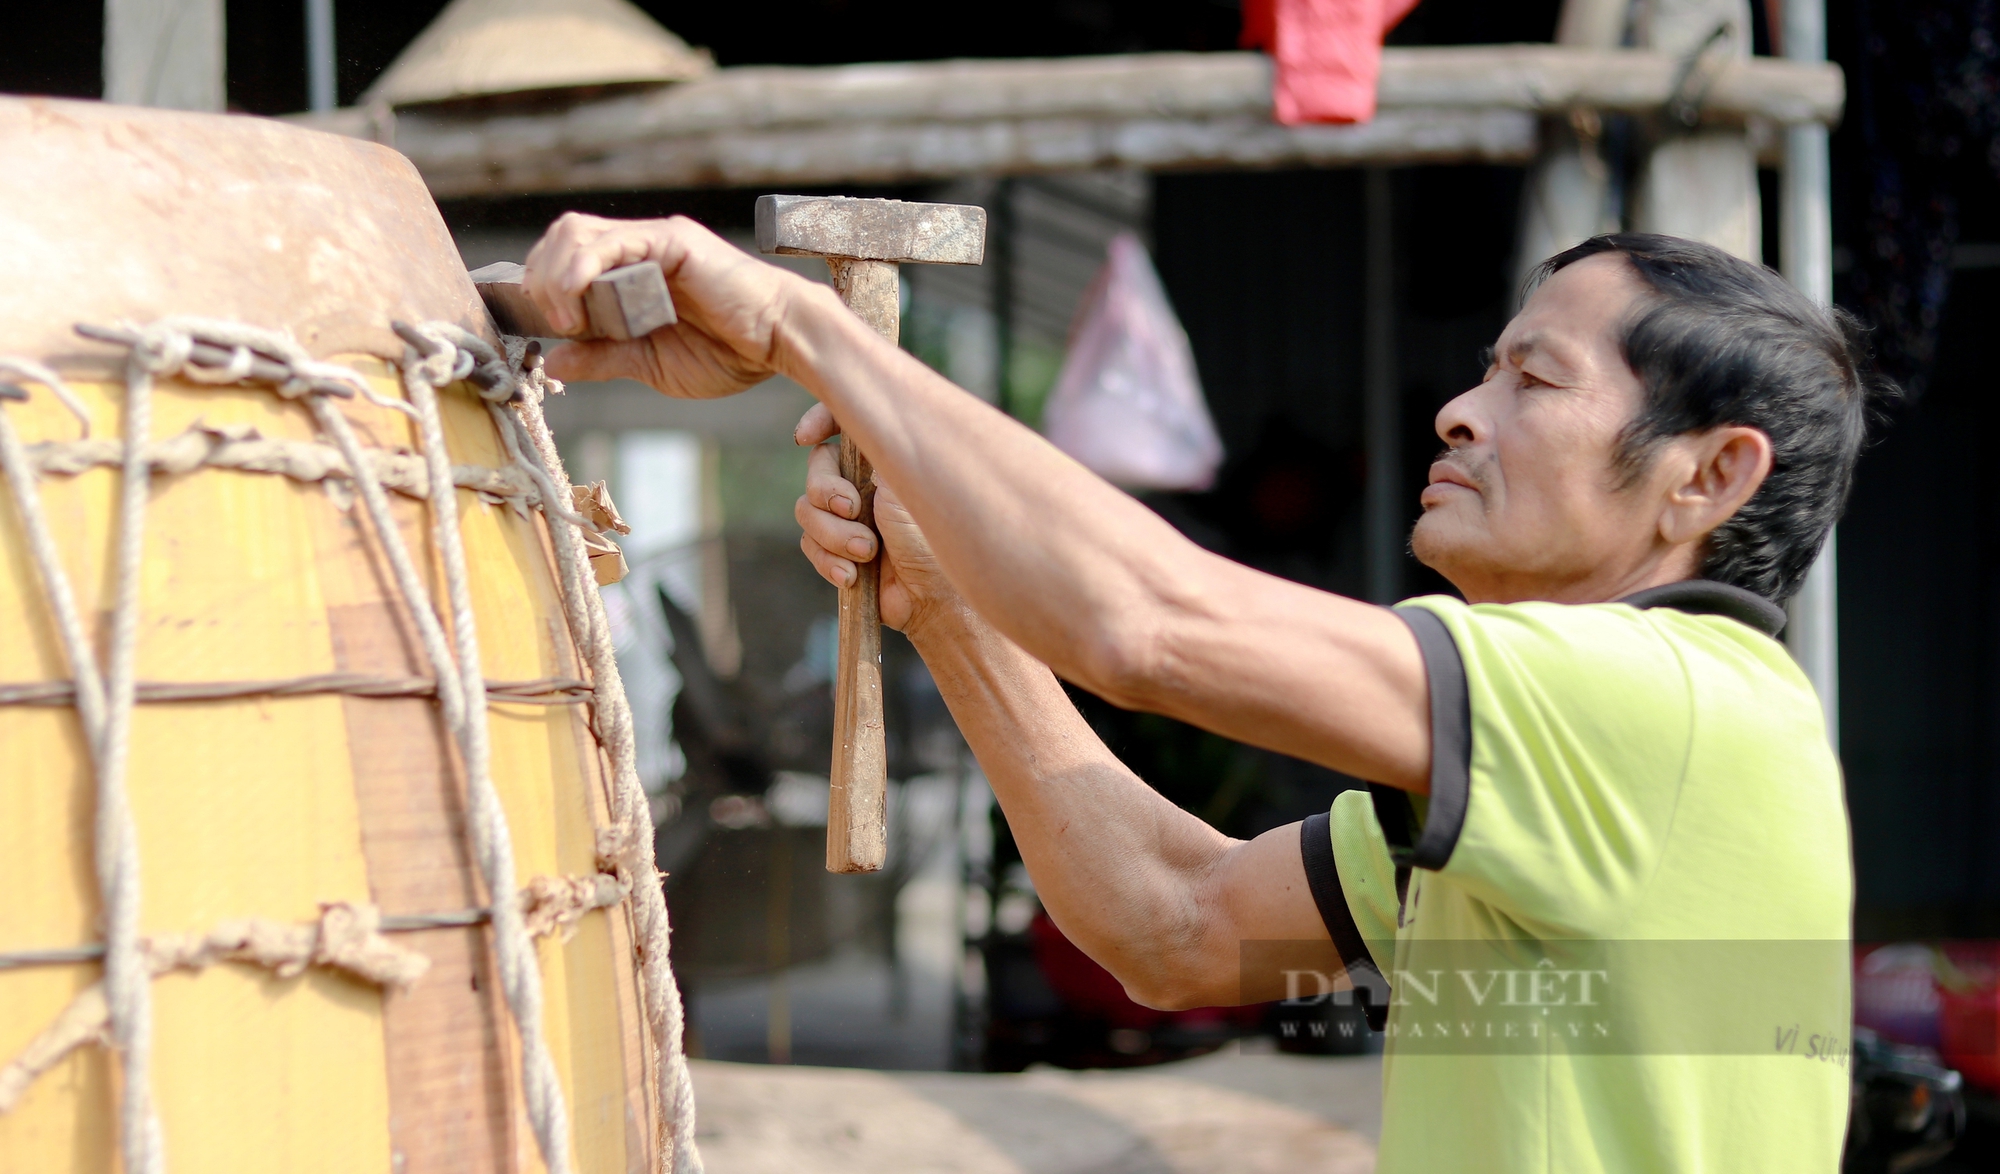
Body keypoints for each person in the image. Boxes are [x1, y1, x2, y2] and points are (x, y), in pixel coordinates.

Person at [526, 221, 1869, 1172]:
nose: (1463, 409)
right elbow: (1172, 922)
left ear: (1707, 477)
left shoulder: (1671, 704)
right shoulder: (1572, 770)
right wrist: (938, 596)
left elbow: (1146, 620)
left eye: (1534, 378)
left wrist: (800, 328)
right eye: (1486, 367)